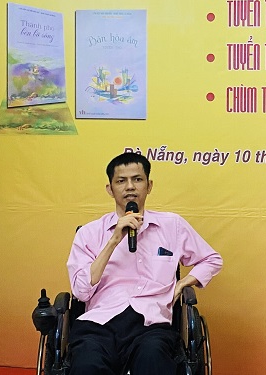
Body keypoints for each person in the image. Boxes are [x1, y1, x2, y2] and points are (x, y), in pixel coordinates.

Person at [66, 152, 222, 374]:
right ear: (110, 189)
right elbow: (81, 292)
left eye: (137, 179)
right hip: (99, 324)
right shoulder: (89, 233)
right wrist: (114, 240)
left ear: (149, 186)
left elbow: (211, 259)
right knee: (87, 365)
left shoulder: (172, 226)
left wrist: (183, 283)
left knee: (153, 359)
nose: (130, 187)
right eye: (121, 181)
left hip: (151, 325)